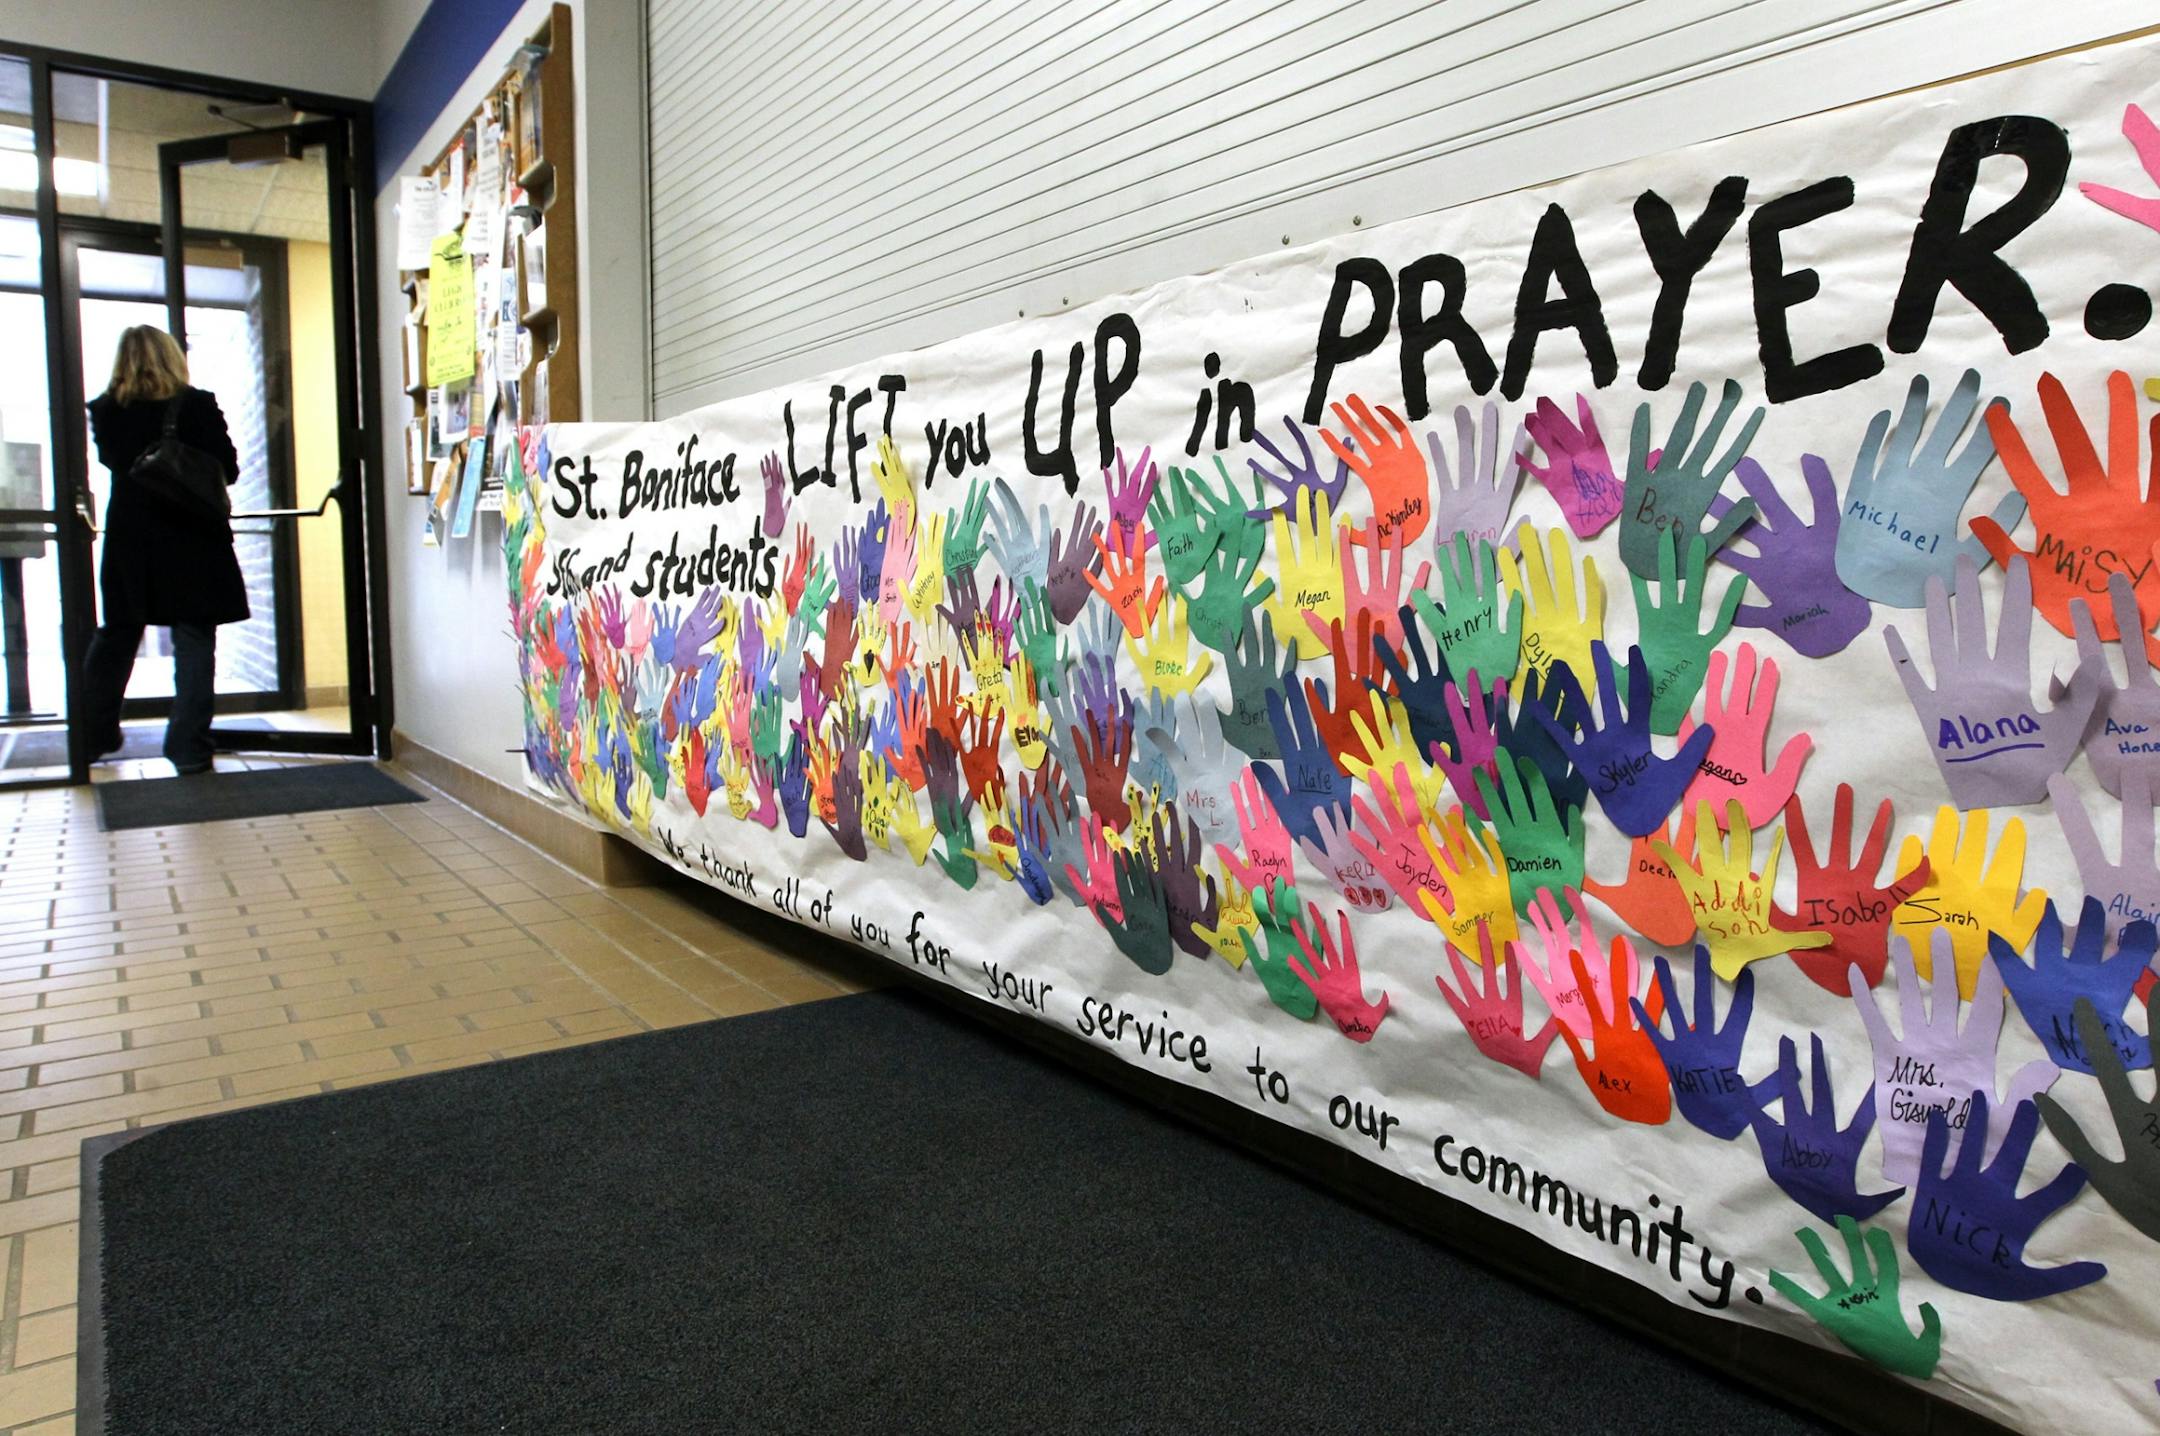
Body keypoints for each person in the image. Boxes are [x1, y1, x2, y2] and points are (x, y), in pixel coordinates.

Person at [82, 326, 248, 775]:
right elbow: (228, 468)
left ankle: (92, 736)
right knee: (194, 644)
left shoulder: (105, 411)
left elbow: (116, 463)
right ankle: (188, 748)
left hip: (131, 541)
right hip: (192, 538)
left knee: (116, 637)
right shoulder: (197, 405)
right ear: (172, 356)